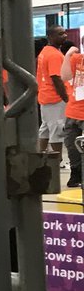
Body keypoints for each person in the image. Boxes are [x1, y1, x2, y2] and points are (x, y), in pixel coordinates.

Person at [36, 24, 70, 158]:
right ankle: (57, 160)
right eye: (60, 34)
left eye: (65, 32)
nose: (65, 36)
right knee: (57, 129)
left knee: (45, 128)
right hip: (55, 98)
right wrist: (65, 97)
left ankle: (40, 156)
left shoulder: (45, 51)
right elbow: (56, 78)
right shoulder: (54, 55)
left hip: (45, 96)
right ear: (50, 37)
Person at [61, 42, 83, 188]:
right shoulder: (77, 59)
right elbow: (64, 76)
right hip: (73, 111)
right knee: (71, 145)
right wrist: (68, 55)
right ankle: (75, 173)